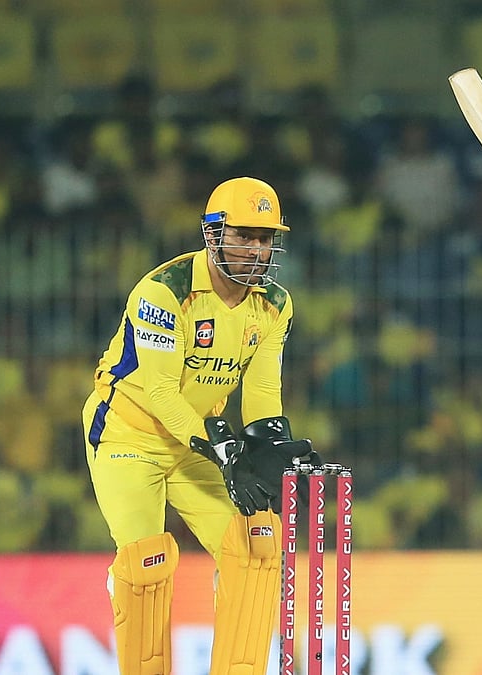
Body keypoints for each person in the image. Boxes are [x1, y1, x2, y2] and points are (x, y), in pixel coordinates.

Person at [82, 176, 322, 674]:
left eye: (265, 238)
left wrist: (270, 444)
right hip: (130, 433)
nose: (257, 250)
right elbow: (163, 394)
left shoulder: (274, 304)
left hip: (197, 442)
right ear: (213, 234)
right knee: (146, 564)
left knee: (257, 544)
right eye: (244, 236)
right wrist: (225, 453)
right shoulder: (164, 291)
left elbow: (259, 393)